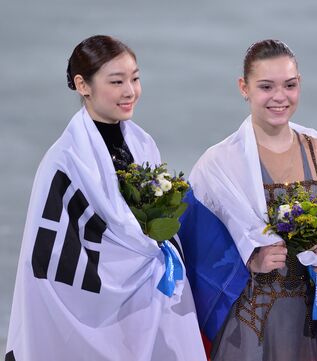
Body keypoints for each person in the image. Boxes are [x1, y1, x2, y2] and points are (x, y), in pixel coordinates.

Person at [5, 35, 206, 361]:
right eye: (117, 81)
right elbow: (48, 259)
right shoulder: (65, 161)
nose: (130, 91)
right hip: (94, 306)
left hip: (147, 295)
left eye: (135, 78)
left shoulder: (142, 144)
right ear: (83, 85)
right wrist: (131, 256)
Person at [178, 39, 317, 361]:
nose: (279, 97)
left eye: (289, 85)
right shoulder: (216, 163)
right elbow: (195, 250)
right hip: (247, 322)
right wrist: (249, 259)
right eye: (266, 86)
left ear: (299, 84)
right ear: (243, 87)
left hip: (308, 321)